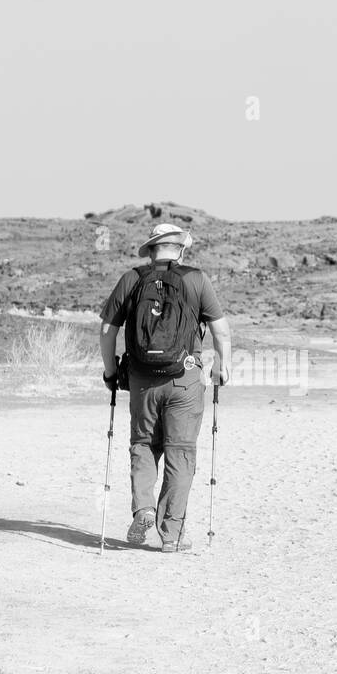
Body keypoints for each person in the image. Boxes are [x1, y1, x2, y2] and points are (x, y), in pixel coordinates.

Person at [99, 224, 232, 552]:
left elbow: (106, 329)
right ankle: (171, 536)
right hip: (185, 379)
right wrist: (222, 367)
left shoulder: (132, 278)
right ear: (181, 250)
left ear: (152, 249)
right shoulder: (196, 279)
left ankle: (143, 506)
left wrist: (110, 371)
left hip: (142, 379)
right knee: (180, 452)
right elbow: (221, 332)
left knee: (143, 443)